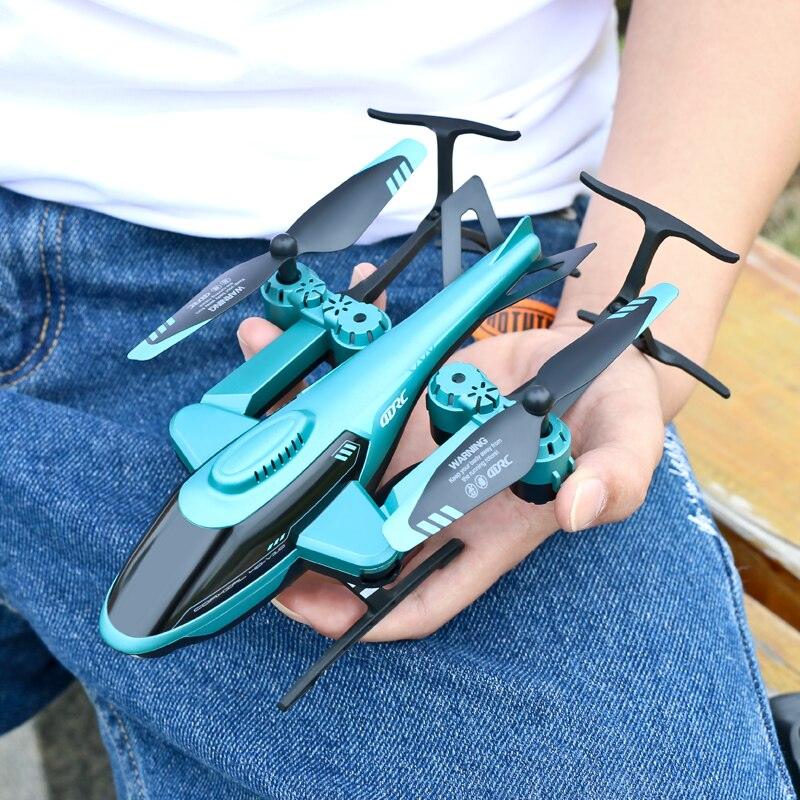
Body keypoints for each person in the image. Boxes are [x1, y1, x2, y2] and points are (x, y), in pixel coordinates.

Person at [1, 1, 798, 797]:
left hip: (460, 251)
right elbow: (362, 534)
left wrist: (604, 343)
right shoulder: (277, 489)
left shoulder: (220, 439)